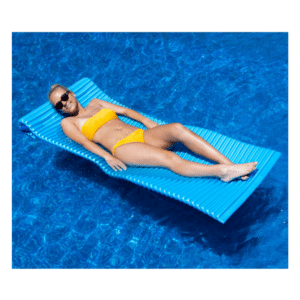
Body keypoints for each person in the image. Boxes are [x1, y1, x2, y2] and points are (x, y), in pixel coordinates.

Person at [48, 84, 258, 182]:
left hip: (141, 135)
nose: (64, 104)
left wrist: (148, 122)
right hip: (123, 148)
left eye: (64, 97)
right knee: (170, 157)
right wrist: (106, 156)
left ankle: (230, 164)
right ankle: (222, 172)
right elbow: (85, 142)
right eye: (59, 105)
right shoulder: (68, 123)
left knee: (177, 128)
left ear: (72, 92)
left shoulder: (96, 102)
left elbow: (125, 111)